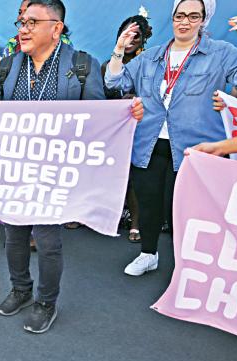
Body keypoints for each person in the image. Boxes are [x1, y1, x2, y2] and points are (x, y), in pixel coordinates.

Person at [0, 0, 141, 334]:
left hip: (55, 171)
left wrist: (126, 115)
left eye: (32, 22)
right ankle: (20, 288)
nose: (23, 29)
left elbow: (98, 118)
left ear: (56, 28)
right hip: (15, 167)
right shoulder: (8, 65)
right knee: (14, 235)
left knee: (47, 240)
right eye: (20, 23)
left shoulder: (82, 65)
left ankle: (46, 301)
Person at [106, 1, 237, 277]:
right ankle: (148, 254)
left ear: (203, 20)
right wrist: (119, 49)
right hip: (149, 142)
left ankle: (190, 266)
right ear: (172, 18)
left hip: (195, 146)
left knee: (187, 210)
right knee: (148, 203)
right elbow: (115, 83)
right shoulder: (152, 56)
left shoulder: (220, 52)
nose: (185, 22)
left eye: (193, 16)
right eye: (180, 15)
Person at [101, 14, 153, 244]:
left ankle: (135, 223)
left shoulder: (149, 65)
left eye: (136, 36)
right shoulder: (108, 65)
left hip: (139, 130)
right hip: (113, 131)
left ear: (143, 40)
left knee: (133, 176)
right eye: (127, 34)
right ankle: (98, 218)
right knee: (105, 173)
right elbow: (100, 98)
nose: (131, 40)